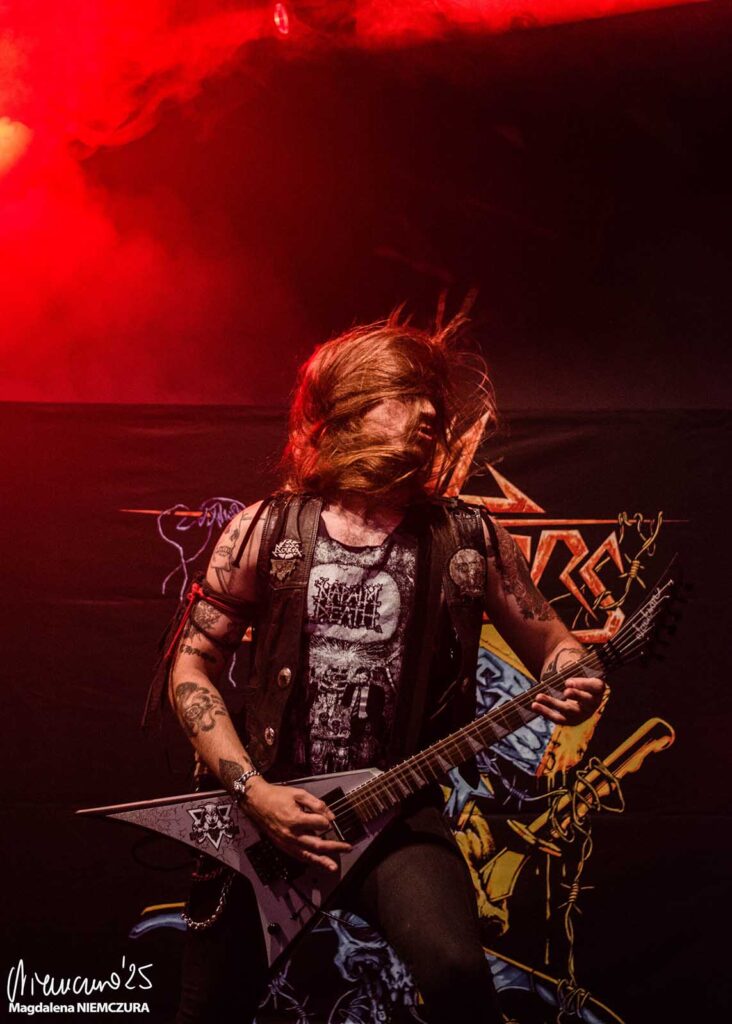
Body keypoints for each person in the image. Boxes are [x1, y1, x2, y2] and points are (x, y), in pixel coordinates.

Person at [160, 313, 605, 1023]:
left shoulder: (469, 536)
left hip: (396, 816)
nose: (430, 410)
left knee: (458, 974)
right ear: (348, 409)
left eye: (433, 397)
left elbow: (559, 647)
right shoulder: (265, 528)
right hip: (263, 812)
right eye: (405, 393)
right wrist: (253, 791)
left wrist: (577, 677)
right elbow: (191, 667)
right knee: (206, 1008)